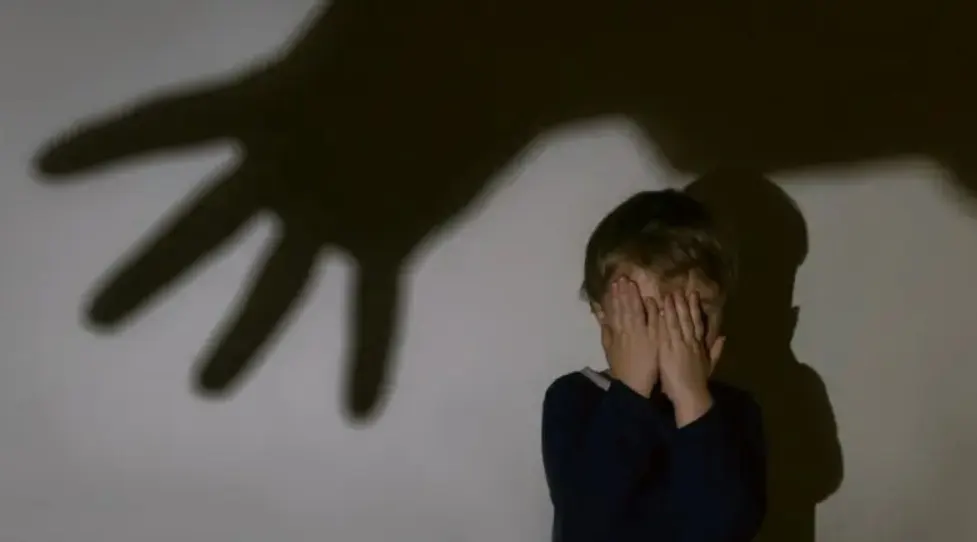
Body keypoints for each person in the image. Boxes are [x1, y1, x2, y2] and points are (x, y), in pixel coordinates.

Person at [541, 188, 767, 542]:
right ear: (604, 316)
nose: (675, 331)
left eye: (697, 312)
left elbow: (728, 529)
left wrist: (691, 399)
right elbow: (585, 526)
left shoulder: (736, 410)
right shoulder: (573, 398)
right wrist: (631, 390)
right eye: (648, 312)